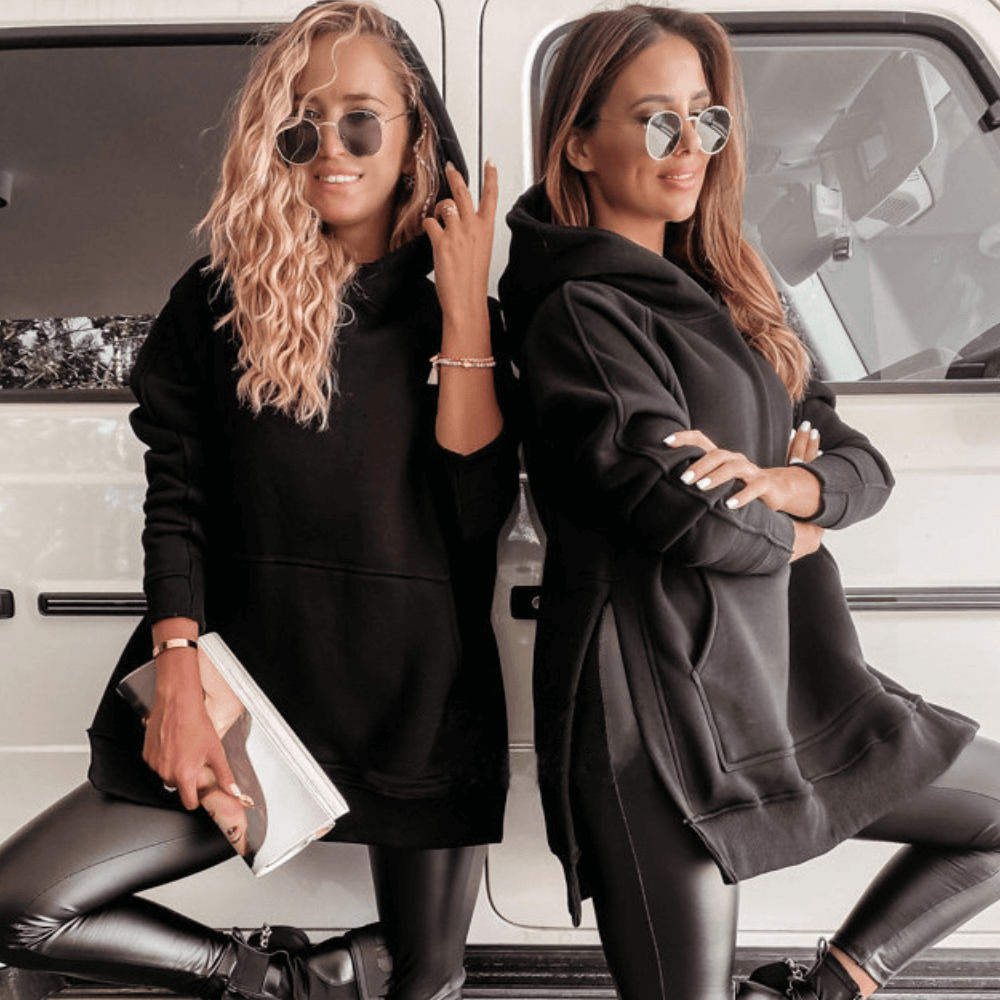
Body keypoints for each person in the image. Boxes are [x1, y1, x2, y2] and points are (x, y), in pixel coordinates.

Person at [0, 5, 517, 1000]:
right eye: (301, 126)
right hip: (248, 706)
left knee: (428, 980)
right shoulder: (218, 301)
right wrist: (176, 673)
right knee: (19, 906)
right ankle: (281, 983)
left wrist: (463, 309)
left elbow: (473, 510)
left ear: (414, 131)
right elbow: (178, 501)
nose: (332, 148)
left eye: (360, 118)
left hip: (414, 707)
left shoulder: (461, 314)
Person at [497, 6, 1000, 999]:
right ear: (579, 143)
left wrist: (793, 486)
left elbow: (857, 460)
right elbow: (682, 512)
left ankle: (827, 986)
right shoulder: (578, 310)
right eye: (656, 120)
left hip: (780, 681)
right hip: (654, 714)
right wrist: (798, 530)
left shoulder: (731, 284)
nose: (690, 145)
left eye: (706, 117)